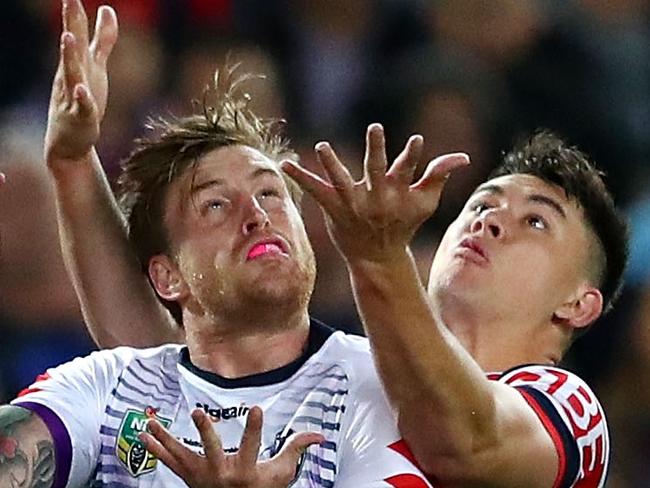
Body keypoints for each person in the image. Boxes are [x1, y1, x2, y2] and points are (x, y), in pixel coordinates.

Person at [1, 1, 454, 486]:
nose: (256, 216)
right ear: (166, 276)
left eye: (269, 193)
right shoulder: (112, 386)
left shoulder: (375, 387)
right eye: (216, 205)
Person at [283, 126, 627, 487]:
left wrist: (379, 261)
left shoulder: (570, 410)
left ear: (578, 304)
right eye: (481, 205)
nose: (488, 221)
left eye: (535, 222)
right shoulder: (339, 381)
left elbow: (468, 448)